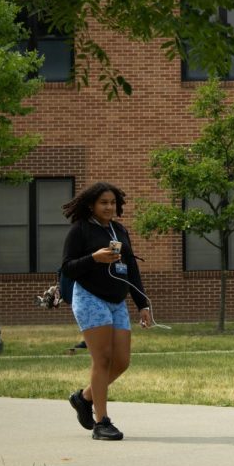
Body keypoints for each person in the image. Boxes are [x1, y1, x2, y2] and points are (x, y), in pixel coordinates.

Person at [62, 182, 152, 441]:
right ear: (92, 204)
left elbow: (131, 269)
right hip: (91, 298)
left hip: (117, 300)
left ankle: (84, 398)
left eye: (112, 202)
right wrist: (94, 258)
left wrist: (142, 304)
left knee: (122, 361)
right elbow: (67, 267)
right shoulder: (80, 230)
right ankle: (102, 422)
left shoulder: (119, 230)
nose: (109, 206)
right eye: (103, 202)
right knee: (102, 359)